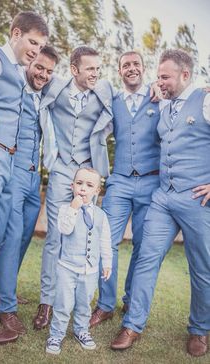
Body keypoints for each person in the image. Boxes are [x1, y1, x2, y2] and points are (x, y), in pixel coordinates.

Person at [110, 49, 210, 358]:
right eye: (158, 76)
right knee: (146, 259)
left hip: (197, 200)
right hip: (163, 197)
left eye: (165, 77)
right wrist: (157, 89)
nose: (159, 81)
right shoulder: (163, 102)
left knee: (202, 268)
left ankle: (199, 329)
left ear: (185, 75)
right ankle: (132, 325)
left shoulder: (205, 100)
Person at [0, 11, 48, 345]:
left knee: (2, 231)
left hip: (8, 161)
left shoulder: (18, 73)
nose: (36, 50)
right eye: (33, 42)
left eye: (41, 45)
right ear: (16, 33)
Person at [33, 46, 113, 330]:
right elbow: (29, 82)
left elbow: (130, 101)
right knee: (55, 237)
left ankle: (81, 300)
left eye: (98, 69)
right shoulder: (54, 85)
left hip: (88, 173)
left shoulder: (104, 91)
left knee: (85, 233)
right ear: (75, 68)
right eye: (90, 68)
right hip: (60, 170)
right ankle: (47, 302)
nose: (95, 73)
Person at [0, 46, 58, 335]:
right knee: (8, 236)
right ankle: (7, 308)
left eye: (49, 71)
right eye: (39, 67)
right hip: (11, 174)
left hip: (34, 178)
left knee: (24, 236)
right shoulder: (11, 86)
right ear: (28, 62)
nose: (43, 74)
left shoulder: (46, 95)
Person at [90, 51, 162, 328]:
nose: (131, 69)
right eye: (125, 65)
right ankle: (105, 305)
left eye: (136, 64)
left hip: (151, 182)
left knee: (142, 246)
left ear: (144, 69)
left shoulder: (160, 99)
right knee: (105, 242)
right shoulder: (112, 101)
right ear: (119, 71)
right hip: (119, 180)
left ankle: (130, 298)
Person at [46, 167, 112, 355]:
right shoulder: (65, 209)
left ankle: (81, 330)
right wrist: (73, 209)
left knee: (84, 304)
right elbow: (65, 229)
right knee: (63, 304)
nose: (83, 188)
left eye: (89, 185)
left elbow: (105, 241)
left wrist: (107, 263)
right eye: (79, 183)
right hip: (67, 268)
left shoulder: (100, 215)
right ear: (72, 186)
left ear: (97, 191)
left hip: (89, 271)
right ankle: (56, 334)